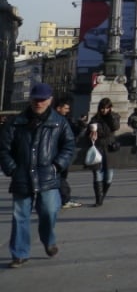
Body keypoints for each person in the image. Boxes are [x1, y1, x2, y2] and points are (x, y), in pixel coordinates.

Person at [0, 82, 76, 268]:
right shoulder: (16, 122)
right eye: (35, 99)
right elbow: (3, 149)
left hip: (48, 175)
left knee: (49, 212)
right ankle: (19, 253)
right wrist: (11, 168)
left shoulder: (59, 122)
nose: (38, 103)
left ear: (49, 100)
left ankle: (48, 240)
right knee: (20, 216)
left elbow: (69, 146)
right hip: (22, 176)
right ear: (30, 99)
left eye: (42, 100)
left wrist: (57, 165)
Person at [86, 97, 120, 206]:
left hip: (110, 149)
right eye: (102, 108)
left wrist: (110, 115)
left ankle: (102, 195)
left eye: (106, 108)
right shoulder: (95, 119)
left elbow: (115, 127)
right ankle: (98, 199)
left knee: (109, 177)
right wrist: (90, 134)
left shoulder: (114, 117)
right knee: (97, 174)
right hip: (98, 148)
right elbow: (87, 133)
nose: (103, 110)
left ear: (110, 108)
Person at [52, 97, 84, 209]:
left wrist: (80, 126)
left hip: (62, 154)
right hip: (57, 153)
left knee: (61, 177)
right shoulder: (56, 120)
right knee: (60, 178)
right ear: (58, 108)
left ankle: (61, 198)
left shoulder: (64, 119)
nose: (68, 110)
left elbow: (72, 132)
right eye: (66, 108)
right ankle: (65, 199)